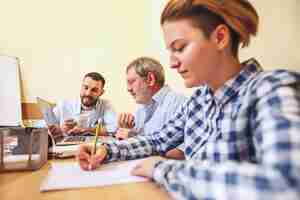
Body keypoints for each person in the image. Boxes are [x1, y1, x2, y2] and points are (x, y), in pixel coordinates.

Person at [77, 0, 300, 199]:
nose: (172, 63)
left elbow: (287, 184)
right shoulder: (199, 100)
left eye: (180, 48)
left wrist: (163, 169)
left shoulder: (272, 90)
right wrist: (107, 150)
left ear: (220, 38)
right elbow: (157, 140)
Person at [116, 57, 187, 159]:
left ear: (150, 79)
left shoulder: (179, 104)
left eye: (131, 82)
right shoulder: (141, 109)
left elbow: (182, 152)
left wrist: (135, 140)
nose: (128, 89)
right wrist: (126, 131)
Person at [49, 72, 117, 136]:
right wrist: (60, 129)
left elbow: (114, 128)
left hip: (93, 146)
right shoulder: (64, 105)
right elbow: (44, 124)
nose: (88, 93)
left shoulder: (105, 105)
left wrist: (85, 130)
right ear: (81, 87)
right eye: (85, 88)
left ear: (101, 93)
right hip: (66, 145)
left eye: (94, 90)